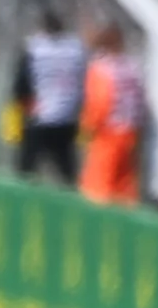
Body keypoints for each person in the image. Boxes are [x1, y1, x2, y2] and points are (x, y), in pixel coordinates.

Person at [13, 10, 85, 182]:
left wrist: (26, 109)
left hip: (39, 118)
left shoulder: (35, 49)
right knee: (67, 172)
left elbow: (20, 86)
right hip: (67, 120)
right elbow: (84, 82)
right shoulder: (76, 50)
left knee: (27, 170)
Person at [78, 20, 144, 201]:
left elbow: (100, 101)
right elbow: (140, 99)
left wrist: (88, 126)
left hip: (108, 132)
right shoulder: (131, 67)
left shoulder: (101, 68)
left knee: (98, 183)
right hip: (130, 131)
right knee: (124, 183)